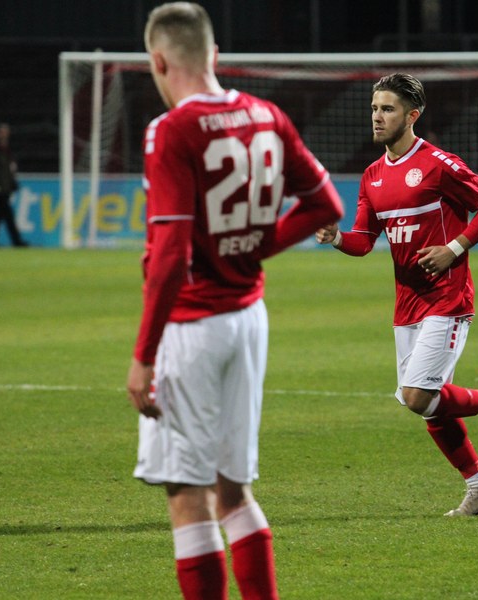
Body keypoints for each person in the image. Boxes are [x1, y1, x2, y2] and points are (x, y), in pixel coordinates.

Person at [126, 3, 343, 599]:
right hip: (248, 317)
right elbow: (326, 205)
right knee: (233, 491)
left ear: (158, 61)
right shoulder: (267, 115)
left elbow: (170, 253)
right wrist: (255, 246)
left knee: (186, 496)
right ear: (215, 55)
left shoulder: (171, 130)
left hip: (193, 328)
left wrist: (143, 355)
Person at [316, 73, 478, 517]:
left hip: (447, 296)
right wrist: (336, 237)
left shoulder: (439, 164)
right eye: (374, 108)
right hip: (407, 302)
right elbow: (364, 241)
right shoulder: (372, 176)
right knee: (427, 405)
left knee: (416, 396)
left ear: (412, 116)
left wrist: (453, 248)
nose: (377, 117)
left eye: (387, 109)